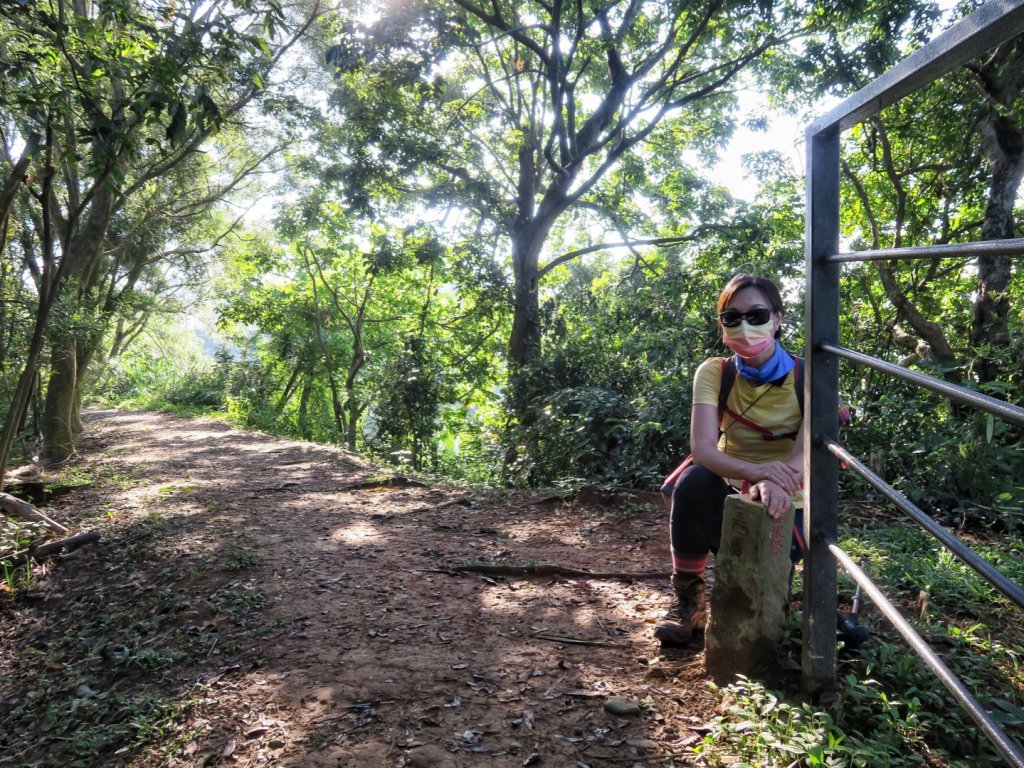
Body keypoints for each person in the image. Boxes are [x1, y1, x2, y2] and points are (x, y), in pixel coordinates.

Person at [655, 274, 805, 647]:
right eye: (731, 317)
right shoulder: (714, 372)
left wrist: (772, 482)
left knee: (764, 610)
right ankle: (689, 600)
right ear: (722, 324)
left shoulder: (810, 375)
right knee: (693, 481)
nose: (744, 326)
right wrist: (756, 475)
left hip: (791, 499)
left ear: (778, 318)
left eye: (756, 315)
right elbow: (704, 449)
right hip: (729, 493)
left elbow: (806, 453)